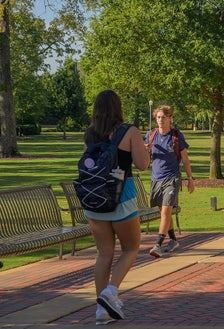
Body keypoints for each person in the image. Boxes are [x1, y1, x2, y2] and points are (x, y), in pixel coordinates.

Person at [83, 90, 149, 325]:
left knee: (103, 254)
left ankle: (102, 311)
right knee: (131, 248)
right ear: (118, 107)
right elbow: (142, 165)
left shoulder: (90, 133)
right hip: (122, 195)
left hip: (94, 198)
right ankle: (111, 292)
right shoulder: (129, 131)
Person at [145, 105, 195, 258]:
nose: (161, 120)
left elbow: (185, 160)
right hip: (156, 179)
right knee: (163, 213)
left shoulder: (176, 136)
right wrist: (145, 150)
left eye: (163, 117)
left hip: (172, 178)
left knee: (166, 211)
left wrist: (190, 179)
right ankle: (173, 240)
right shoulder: (150, 135)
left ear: (170, 118)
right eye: (158, 117)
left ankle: (158, 245)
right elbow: (144, 161)